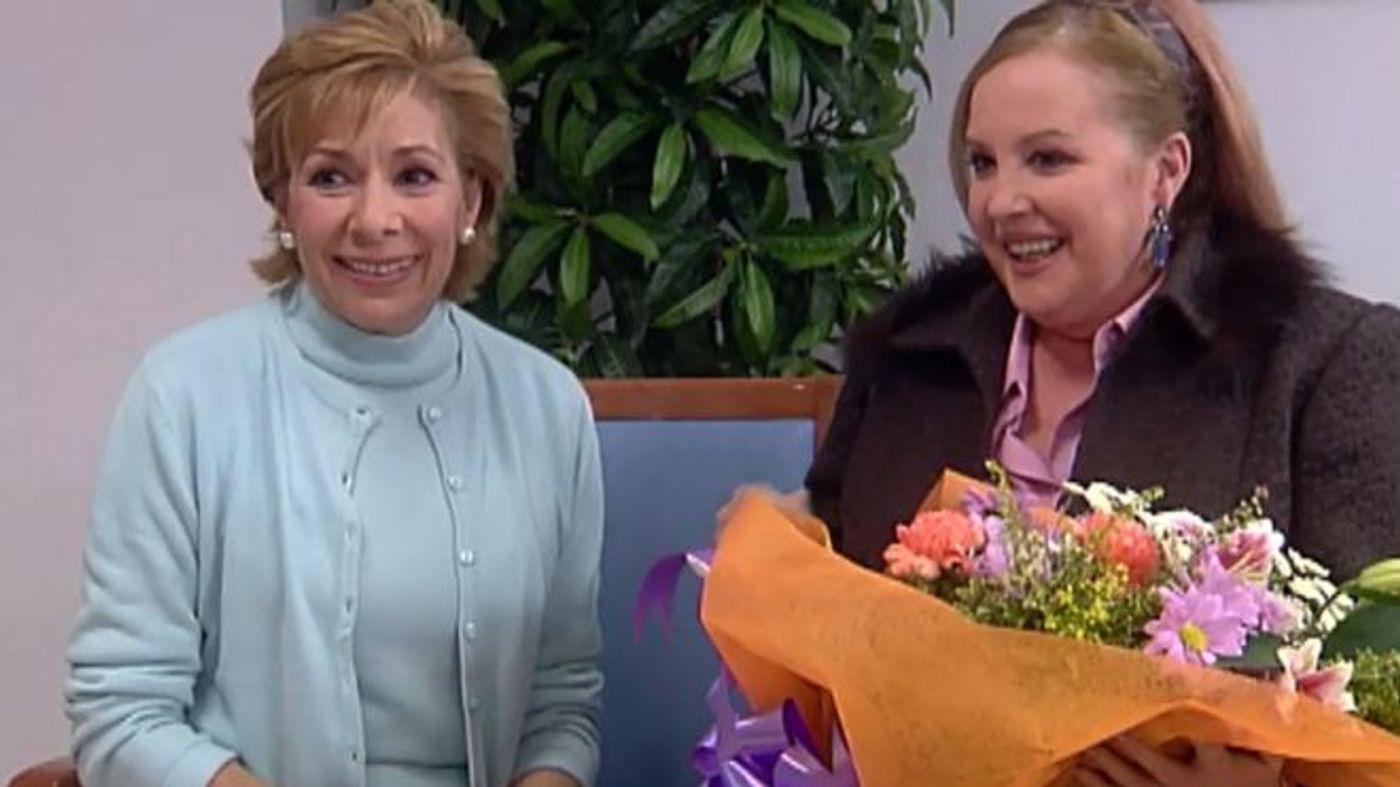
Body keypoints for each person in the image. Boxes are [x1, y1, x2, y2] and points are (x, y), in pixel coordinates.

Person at [805, 0, 1400, 785]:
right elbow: (825, 638)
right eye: (983, 163)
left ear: (1165, 171)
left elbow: (1378, 694)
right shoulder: (905, 362)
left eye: (1047, 159)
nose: (1001, 201)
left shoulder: (1325, 363)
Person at [64, 2, 603, 786]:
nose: (373, 219)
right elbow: (120, 710)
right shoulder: (181, 396)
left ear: (472, 200)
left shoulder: (548, 406)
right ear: (283, 202)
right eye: (330, 178)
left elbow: (562, 703)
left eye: (414, 176)